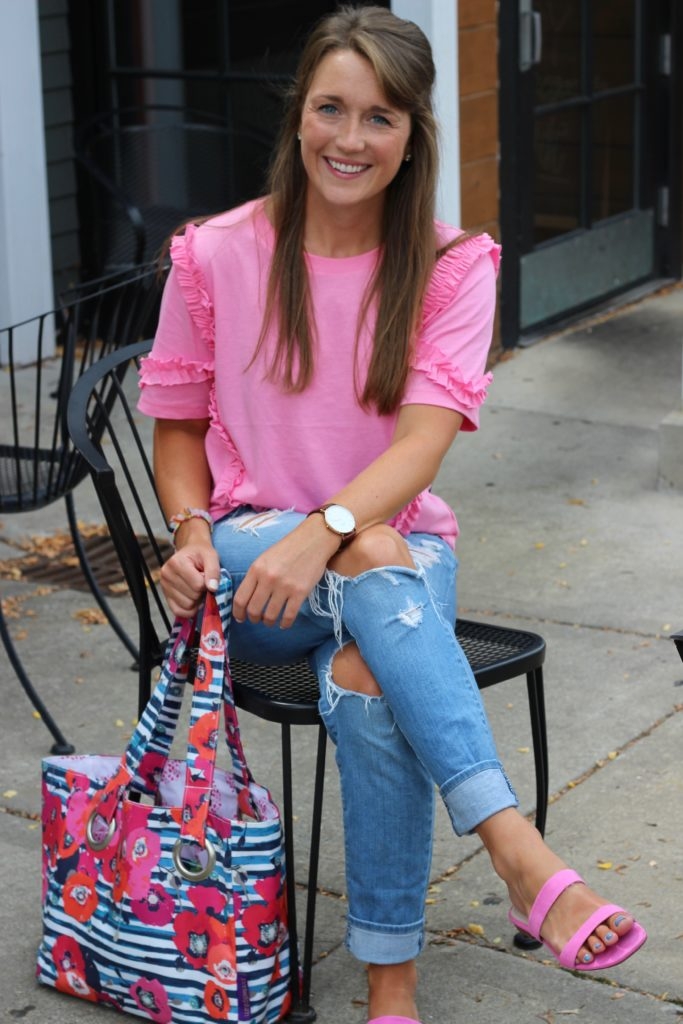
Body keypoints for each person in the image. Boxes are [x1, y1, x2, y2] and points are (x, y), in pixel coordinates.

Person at [137, 6, 646, 1022]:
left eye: (378, 117)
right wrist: (192, 533)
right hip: (248, 561)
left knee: (368, 666)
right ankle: (515, 851)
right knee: (369, 554)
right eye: (330, 108)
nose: (349, 139)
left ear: (412, 134)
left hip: (380, 555)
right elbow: (178, 428)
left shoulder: (452, 264)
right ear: (297, 118)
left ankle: (389, 985)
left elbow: (418, 447)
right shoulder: (215, 255)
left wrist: (323, 532)